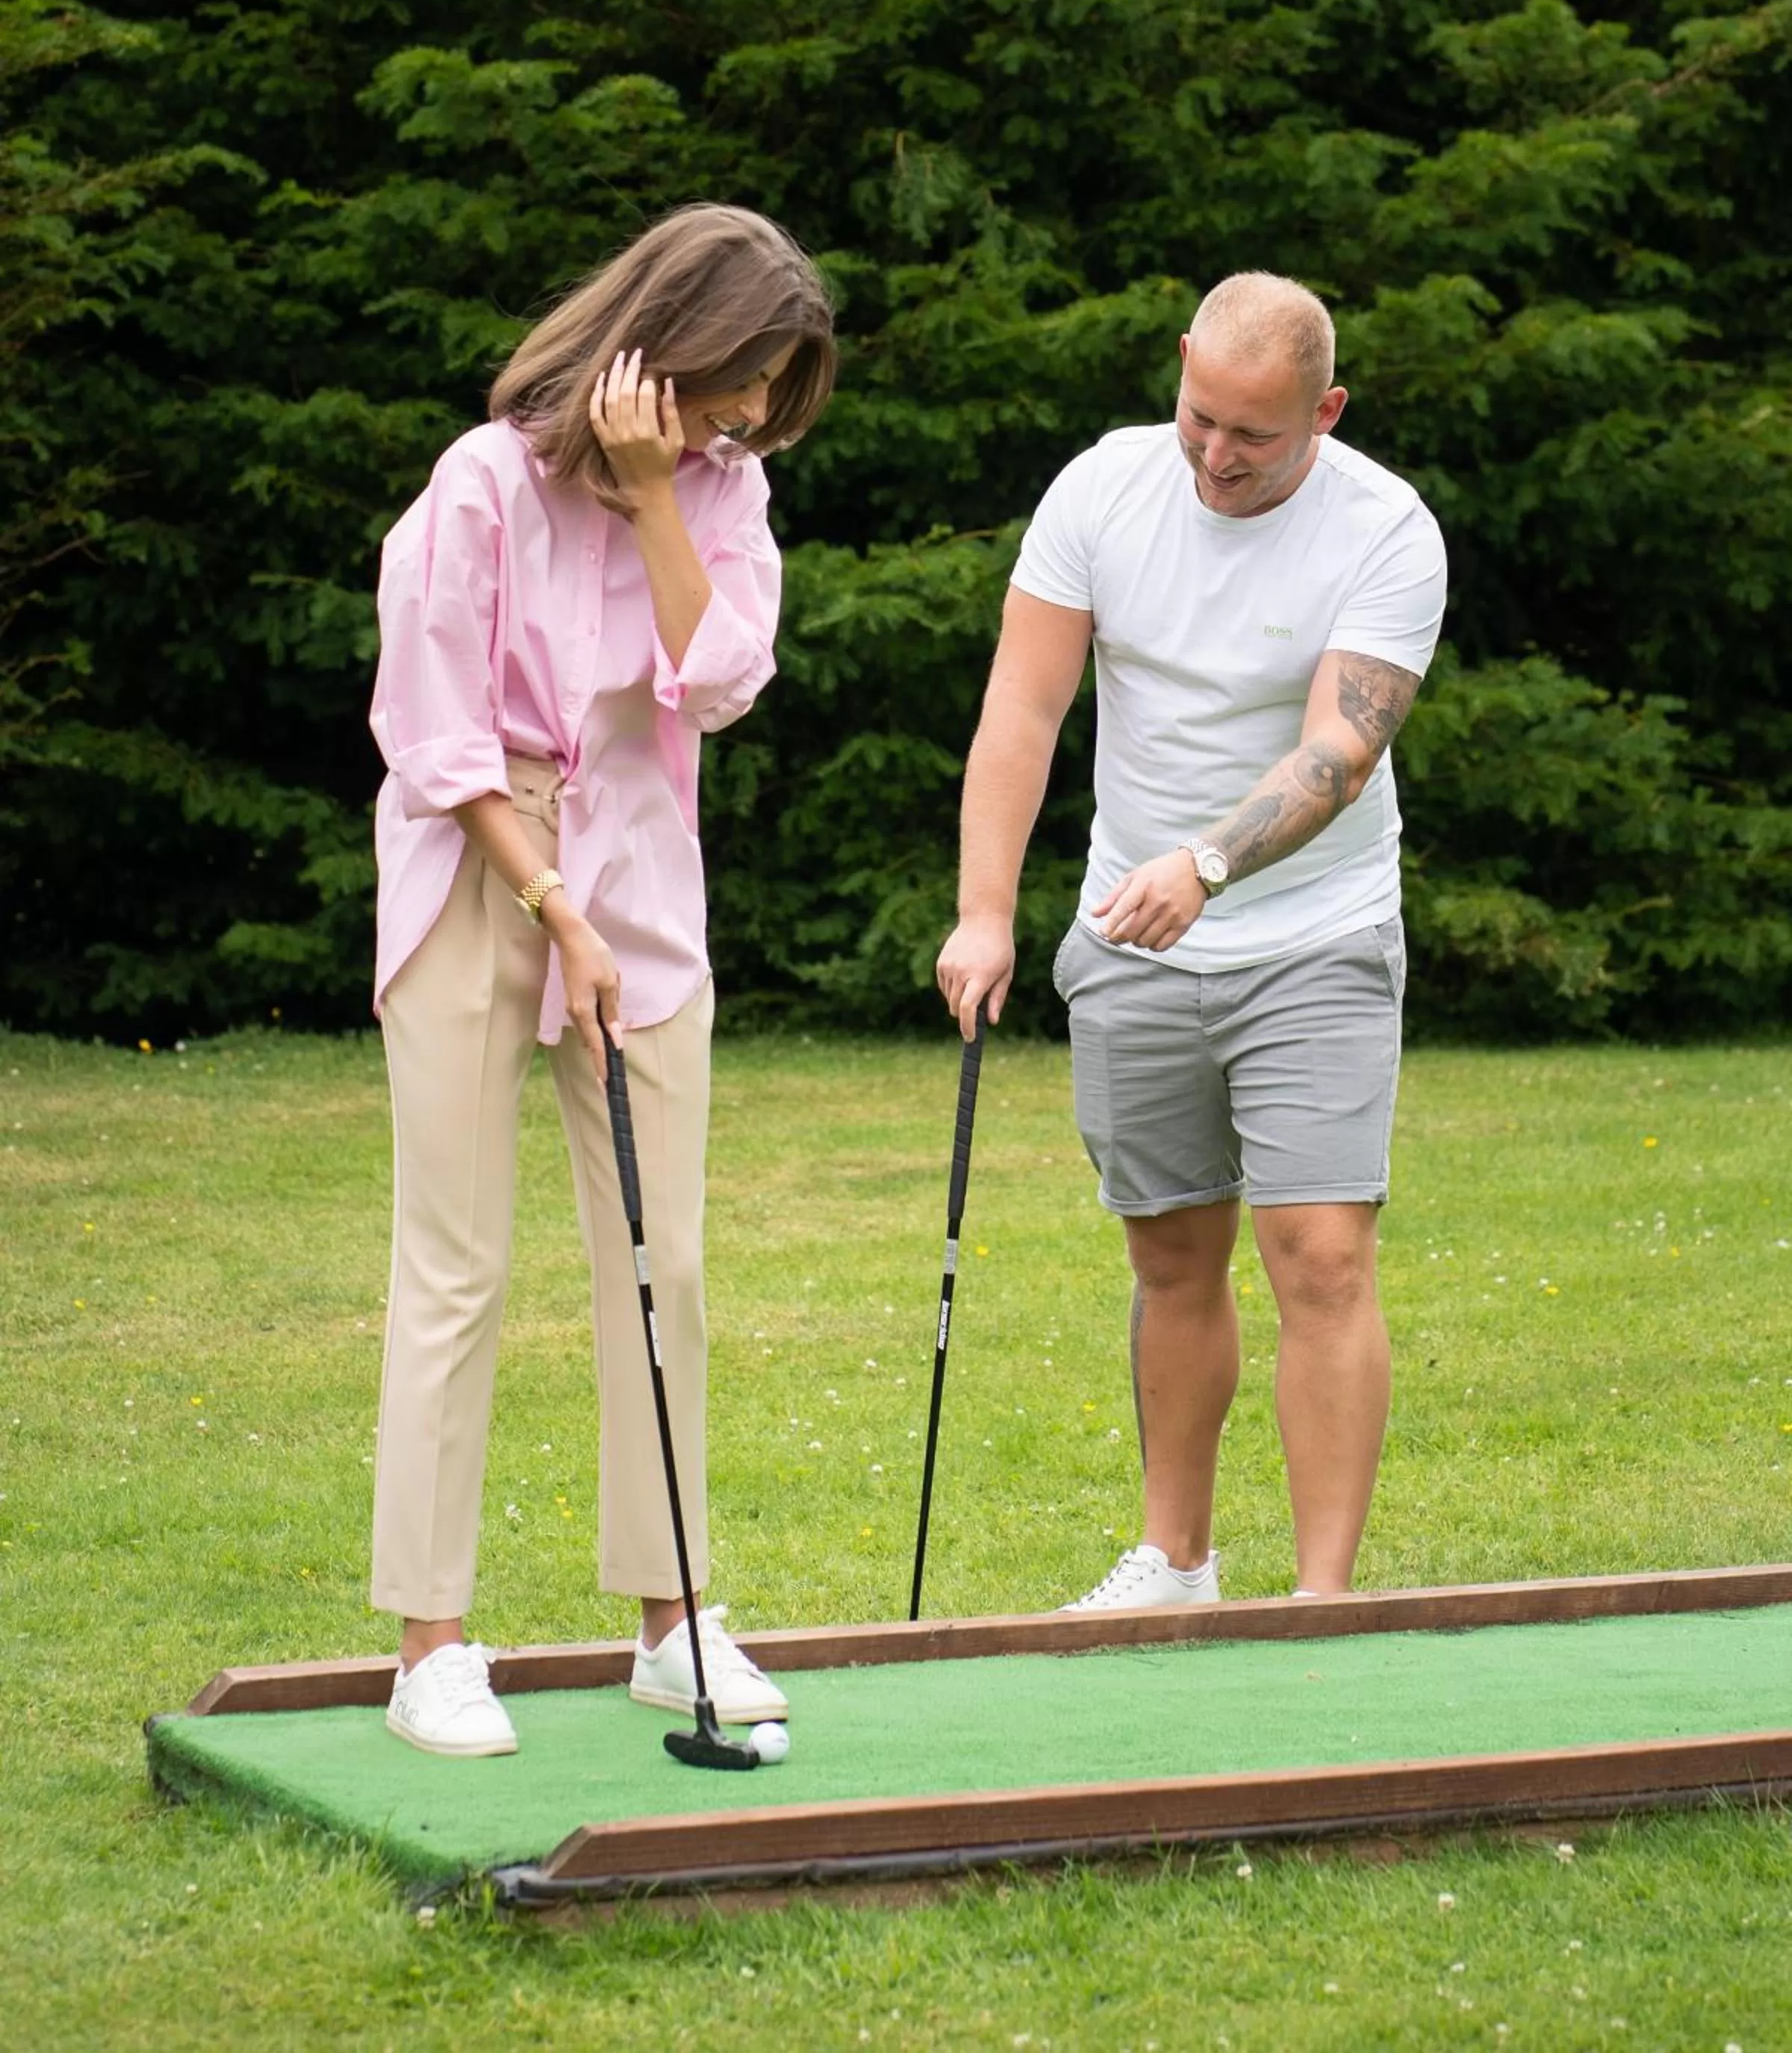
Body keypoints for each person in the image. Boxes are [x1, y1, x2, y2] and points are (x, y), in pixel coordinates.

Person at [367, 204, 835, 1754]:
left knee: (665, 1261)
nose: (752, 412)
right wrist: (551, 905)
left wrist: (656, 496)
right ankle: (431, 1646)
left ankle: (671, 1620)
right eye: (738, 377)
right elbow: (431, 735)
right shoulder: (479, 485)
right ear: (665, 335)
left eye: (772, 386)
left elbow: (722, 682)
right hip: (476, 872)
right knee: (458, 1265)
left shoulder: (720, 489)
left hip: (642, 886)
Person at [936, 272, 1446, 1608]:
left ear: (1324, 413)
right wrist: (985, 910)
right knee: (1171, 1256)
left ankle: (1321, 1602)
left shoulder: (1387, 527)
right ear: (1179, 370)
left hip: (1314, 929)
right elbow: (1024, 709)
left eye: (1255, 435)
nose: (1217, 455)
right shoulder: (1102, 491)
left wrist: (1211, 865)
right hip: (1134, 929)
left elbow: (1342, 747)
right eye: (1199, 417)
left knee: (1321, 1257)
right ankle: (1176, 1560)